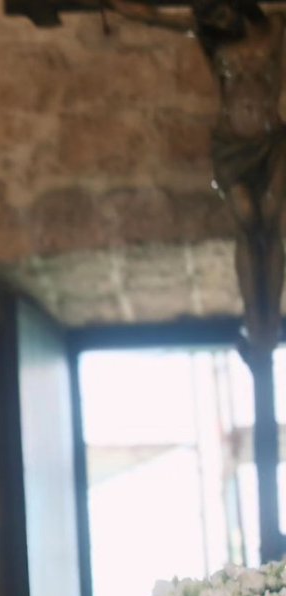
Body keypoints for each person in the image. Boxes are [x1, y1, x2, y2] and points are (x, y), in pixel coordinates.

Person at [100, 0, 286, 354]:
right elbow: (152, 17)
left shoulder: (274, 28)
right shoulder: (210, 37)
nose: (218, 16)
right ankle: (255, 314)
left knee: (271, 219)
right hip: (231, 145)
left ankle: (269, 320)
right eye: (212, 13)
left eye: (221, 10)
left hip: (271, 139)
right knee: (247, 220)